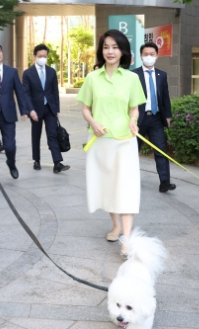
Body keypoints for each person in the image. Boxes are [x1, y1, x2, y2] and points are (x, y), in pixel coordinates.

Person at [77, 30, 146, 257]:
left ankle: (126, 238)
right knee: (107, 187)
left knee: (125, 188)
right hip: (99, 142)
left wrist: (134, 120)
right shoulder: (92, 78)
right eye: (106, 47)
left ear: (123, 50)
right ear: (101, 50)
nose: (110, 51)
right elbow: (85, 108)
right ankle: (115, 225)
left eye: (115, 47)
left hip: (125, 141)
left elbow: (134, 107)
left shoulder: (132, 78)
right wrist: (93, 123)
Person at [0, 41, 29, 190]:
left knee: (10, 146)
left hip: (8, 115)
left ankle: (11, 163)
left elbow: (20, 92)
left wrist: (23, 110)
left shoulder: (12, 71)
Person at [132, 42, 176, 193]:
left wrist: (168, 116)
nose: (149, 57)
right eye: (146, 54)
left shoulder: (161, 75)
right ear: (141, 56)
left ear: (157, 56)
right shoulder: (133, 75)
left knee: (160, 150)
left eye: (152, 54)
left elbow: (165, 97)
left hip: (156, 118)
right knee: (132, 151)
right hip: (138, 119)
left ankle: (165, 182)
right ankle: (128, 180)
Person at [22, 44, 70, 174]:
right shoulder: (28, 73)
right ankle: (36, 160)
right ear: (35, 56)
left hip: (50, 109)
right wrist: (30, 110)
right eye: (40, 56)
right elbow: (25, 93)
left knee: (53, 135)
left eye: (44, 56)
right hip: (35, 110)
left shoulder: (51, 72)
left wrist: (57, 109)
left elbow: (55, 91)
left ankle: (57, 163)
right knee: (36, 135)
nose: (42, 58)